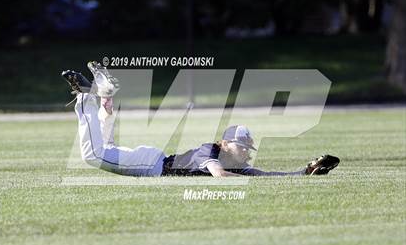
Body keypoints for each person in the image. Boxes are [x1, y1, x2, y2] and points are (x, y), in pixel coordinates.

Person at [61, 62, 340, 177]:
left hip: (151, 160)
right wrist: (243, 178)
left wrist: (305, 172)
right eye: (241, 146)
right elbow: (219, 176)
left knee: (104, 145)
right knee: (93, 155)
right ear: (225, 143)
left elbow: (268, 176)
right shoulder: (211, 152)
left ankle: (106, 100)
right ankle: (87, 96)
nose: (246, 152)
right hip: (150, 165)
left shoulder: (233, 164)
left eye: (247, 149)